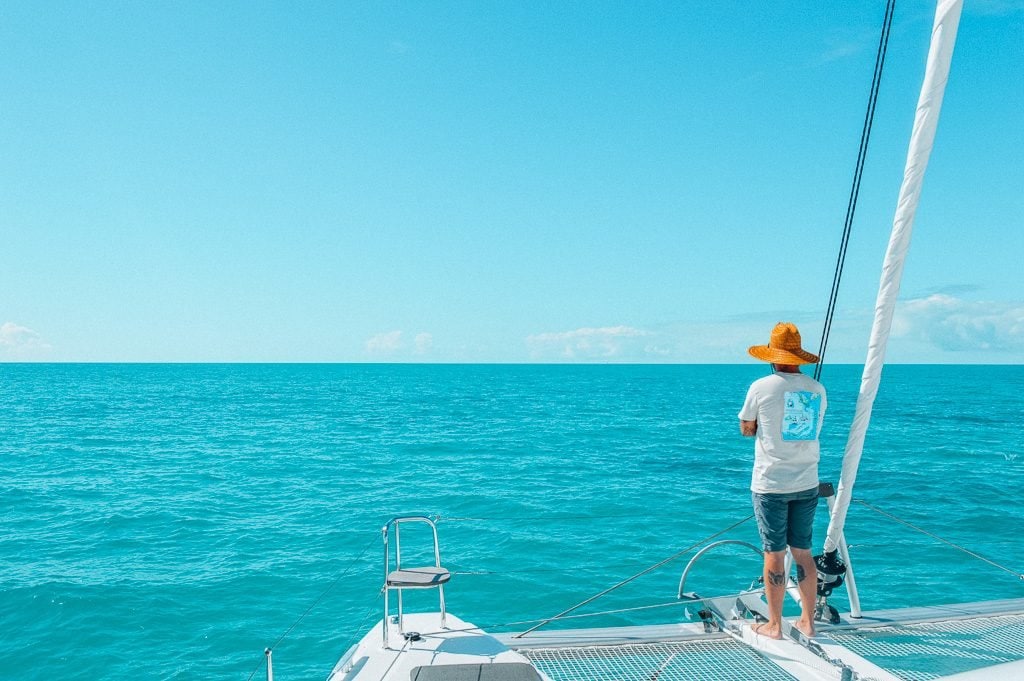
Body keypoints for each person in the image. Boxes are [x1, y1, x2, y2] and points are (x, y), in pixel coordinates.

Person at [738, 322, 827, 639]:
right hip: (807, 482)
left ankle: (774, 625)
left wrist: (762, 425)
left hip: (771, 484)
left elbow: (747, 428)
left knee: (774, 554)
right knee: (803, 552)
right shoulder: (816, 389)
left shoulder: (761, 387)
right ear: (798, 357)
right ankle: (807, 621)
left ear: (772, 356)